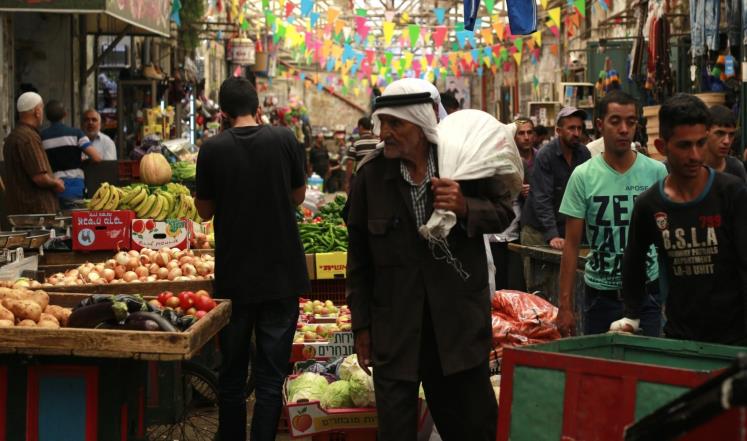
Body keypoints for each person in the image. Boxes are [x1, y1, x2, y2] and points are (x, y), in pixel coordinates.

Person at [347, 79, 515, 441]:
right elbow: (358, 260)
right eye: (382, 122)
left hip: (456, 331)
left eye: (395, 124)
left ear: (422, 125)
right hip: (396, 331)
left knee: (474, 429)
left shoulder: (463, 163)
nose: (384, 133)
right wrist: (362, 328)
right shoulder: (371, 177)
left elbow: (504, 214)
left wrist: (466, 206)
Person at [195, 77, 309, 441]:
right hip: (281, 275)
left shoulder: (212, 149)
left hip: (235, 279)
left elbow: (204, 211)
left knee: (231, 374)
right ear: (258, 109)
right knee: (271, 377)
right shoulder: (285, 139)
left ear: (223, 113)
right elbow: (298, 197)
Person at [613, 94, 747, 345]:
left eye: (701, 143)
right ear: (662, 146)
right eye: (684, 146)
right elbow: (634, 261)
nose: (695, 155)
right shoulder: (650, 204)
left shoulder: (732, 193)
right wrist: (631, 315)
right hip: (681, 337)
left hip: (734, 339)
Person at [555, 91, 668, 337]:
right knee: (600, 361)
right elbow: (571, 245)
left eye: (630, 122)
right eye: (615, 121)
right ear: (600, 125)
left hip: (646, 295)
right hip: (600, 297)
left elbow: (666, 242)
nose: (624, 129)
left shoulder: (656, 173)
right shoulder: (583, 176)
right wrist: (565, 305)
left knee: (647, 360)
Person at [521, 107, 591, 251]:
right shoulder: (546, 155)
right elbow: (542, 198)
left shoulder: (583, 153)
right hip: (538, 230)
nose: (576, 133)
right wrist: (552, 234)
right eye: (571, 128)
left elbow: (587, 192)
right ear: (558, 131)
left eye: (579, 128)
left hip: (566, 227)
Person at [488, 116, 535, 291]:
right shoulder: (485, 164)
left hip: (514, 233)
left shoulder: (520, 164)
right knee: (497, 282)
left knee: (515, 284)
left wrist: (526, 192)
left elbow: (531, 196)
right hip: (492, 234)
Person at [3, 92, 64, 214]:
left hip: (20, 209)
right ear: (37, 112)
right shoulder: (29, 137)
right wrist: (56, 182)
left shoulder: (13, 137)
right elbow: (39, 177)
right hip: (36, 211)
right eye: (41, 109)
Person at [40, 100, 101, 208]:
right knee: (73, 216)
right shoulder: (76, 134)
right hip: (75, 186)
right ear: (65, 114)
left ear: (46, 117)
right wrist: (84, 162)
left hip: (52, 187)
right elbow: (96, 158)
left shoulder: (41, 137)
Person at [703, 105, 747, 182]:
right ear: (706, 133)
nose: (727, 141)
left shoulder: (736, 168)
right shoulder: (693, 166)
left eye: (731, 134)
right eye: (720, 133)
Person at [345, 116, 379, 193]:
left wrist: (347, 181)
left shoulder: (356, 143)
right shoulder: (378, 142)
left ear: (360, 127)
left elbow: (350, 163)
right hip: (377, 178)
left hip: (361, 178)